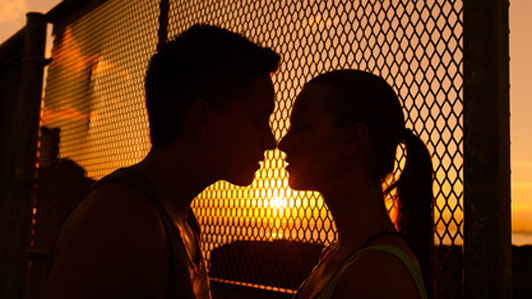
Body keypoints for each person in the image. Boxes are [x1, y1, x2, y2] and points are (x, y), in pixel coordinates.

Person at [42, 24, 280, 299]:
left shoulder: (178, 218)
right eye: (260, 120)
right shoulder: (118, 224)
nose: (271, 141)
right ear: (202, 119)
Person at [279, 70, 434, 299]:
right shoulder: (335, 255)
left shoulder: (378, 274)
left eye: (301, 127)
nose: (283, 143)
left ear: (353, 140)